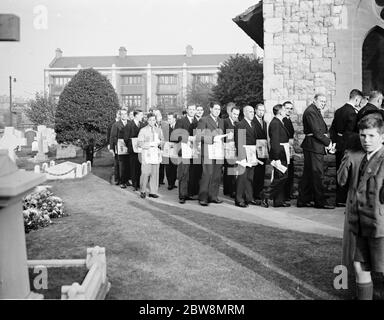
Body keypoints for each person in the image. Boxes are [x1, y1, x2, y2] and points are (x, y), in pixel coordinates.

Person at [347, 114, 384, 300]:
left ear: (382, 137)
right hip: (363, 223)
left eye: (371, 136)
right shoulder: (363, 157)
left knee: (380, 272)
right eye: (363, 136)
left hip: (380, 227)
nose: (366, 140)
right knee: (359, 266)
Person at [297, 93, 334, 209]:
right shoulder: (311, 111)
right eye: (321, 101)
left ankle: (303, 200)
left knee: (308, 174)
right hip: (313, 146)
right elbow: (317, 131)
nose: (323, 104)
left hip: (313, 145)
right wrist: (328, 142)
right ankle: (320, 202)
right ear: (314, 100)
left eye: (324, 102)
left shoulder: (314, 110)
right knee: (318, 174)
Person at [330, 89, 364, 207]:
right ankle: (344, 199)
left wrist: (335, 143)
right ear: (357, 99)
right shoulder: (352, 113)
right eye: (359, 101)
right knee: (348, 172)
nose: (359, 103)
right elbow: (350, 133)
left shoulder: (339, 111)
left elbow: (333, 129)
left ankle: (339, 198)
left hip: (339, 145)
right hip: (347, 146)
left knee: (339, 170)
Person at [196, 102, 225, 206]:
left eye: (219, 109)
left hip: (218, 151)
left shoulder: (221, 121)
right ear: (211, 109)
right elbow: (199, 136)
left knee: (217, 175)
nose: (217, 111)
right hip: (208, 150)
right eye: (216, 109)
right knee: (207, 174)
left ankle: (213, 196)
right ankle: (203, 197)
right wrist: (213, 138)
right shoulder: (204, 120)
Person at [234, 105, 258, 208]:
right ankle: (239, 199)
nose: (252, 114)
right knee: (242, 178)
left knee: (249, 177)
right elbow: (239, 142)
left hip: (251, 154)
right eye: (250, 112)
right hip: (243, 154)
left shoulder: (253, 124)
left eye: (253, 112)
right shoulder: (240, 124)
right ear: (244, 113)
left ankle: (249, 197)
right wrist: (242, 157)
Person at [173, 104, 198, 204]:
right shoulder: (181, 121)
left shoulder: (197, 121)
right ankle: (182, 195)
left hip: (195, 151)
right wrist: (187, 138)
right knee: (184, 173)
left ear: (195, 111)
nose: (192, 111)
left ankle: (189, 193)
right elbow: (175, 135)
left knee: (192, 173)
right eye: (190, 109)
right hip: (184, 150)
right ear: (187, 110)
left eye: (193, 109)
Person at [268, 104, 291, 207]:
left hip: (283, 152)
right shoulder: (275, 123)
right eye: (284, 109)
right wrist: (276, 157)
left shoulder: (279, 122)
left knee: (281, 177)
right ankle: (265, 195)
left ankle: (279, 201)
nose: (286, 111)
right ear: (280, 111)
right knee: (281, 177)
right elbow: (274, 141)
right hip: (279, 154)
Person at [137, 112, 164, 199]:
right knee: (145, 173)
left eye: (153, 120)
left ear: (155, 120)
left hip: (156, 154)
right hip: (147, 154)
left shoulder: (159, 130)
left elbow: (162, 140)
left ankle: (153, 191)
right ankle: (143, 190)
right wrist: (150, 144)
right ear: (147, 121)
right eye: (150, 120)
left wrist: (160, 143)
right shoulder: (143, 130)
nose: (152, 121)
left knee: (155, 173)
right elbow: (140, 143)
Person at [252, 103, 269, 208]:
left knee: (261, 173)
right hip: (255, 150)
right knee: (255, 173)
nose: (261, 112)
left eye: (263, 111)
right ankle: (254, 194)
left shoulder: (265, 123)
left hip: (263, 150)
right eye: (259, 110)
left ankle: (259, 193)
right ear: (255, 110)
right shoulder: (252, 122)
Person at [110, 109, 131, 189]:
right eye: (122, 114)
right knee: (121, 165)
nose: (124, 115)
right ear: (120, 115)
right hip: (120, 147)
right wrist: (112, 148)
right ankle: (122, 182)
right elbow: (112, 137)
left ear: (127, 114)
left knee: (128, 164)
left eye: (125, 114)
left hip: (128, 147)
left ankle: (127, 180)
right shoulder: (116, 124)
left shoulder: (130, 123)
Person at [223, 105, 240, 198]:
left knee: (232, 169)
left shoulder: (238, 123)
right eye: (234, 114)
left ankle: (231, 189)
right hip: (227, 148)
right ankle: (229, 190)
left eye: (237, 114)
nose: (235, 116)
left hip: (235, 148)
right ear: (230, 113)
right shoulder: (225, 122)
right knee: (228, 168)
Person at [188, 105, 204, 197]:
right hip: (195, 149)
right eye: (197, 110)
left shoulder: (205, 120)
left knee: (201, 171)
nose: (199, 111)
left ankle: (199, 191)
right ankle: (192, 192)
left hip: (203, 148)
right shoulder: (193, 123)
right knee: (193, 171)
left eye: (201, 110)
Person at [127, 109, 144, 191]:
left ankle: (139, 184)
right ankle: (135, 185)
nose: (142, 116)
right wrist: (132, 144)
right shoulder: (129, 125)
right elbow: (126, 139)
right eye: (141, 115)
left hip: (141, 150)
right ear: (136, 115)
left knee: (140, 167)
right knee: (134, 168)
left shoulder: (143, 124)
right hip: (133, 150)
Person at [282, 101, 295, 201]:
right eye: (287, 108)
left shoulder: (288, 120)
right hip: (285, 149)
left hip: (290, 149)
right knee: (285, 172)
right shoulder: (282, 120)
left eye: (291, 108)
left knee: (290, 172)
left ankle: (288, 193)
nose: (289, 110)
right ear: (283, 108)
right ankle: (284, 195)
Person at [165, 113, 178, 190]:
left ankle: (173, 182)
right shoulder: (166, 128)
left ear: (174, 119)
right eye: (168, 118)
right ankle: (170, 183)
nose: (168, 120)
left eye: (169, 118)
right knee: (168, 167)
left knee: (174, 167)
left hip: (176, 149)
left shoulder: (178, 127)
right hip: (168, 150)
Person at [108, 110, 121, 185]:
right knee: (115, 162)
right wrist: (110, 146)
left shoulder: (122, 123)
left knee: (119, 162)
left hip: (120, 146)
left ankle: (119, 177)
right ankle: (115, 178)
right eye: (119, 114)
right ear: (116, 114)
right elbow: (109, 135)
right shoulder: (112, 124)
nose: (119, 115)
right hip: (114, 145)